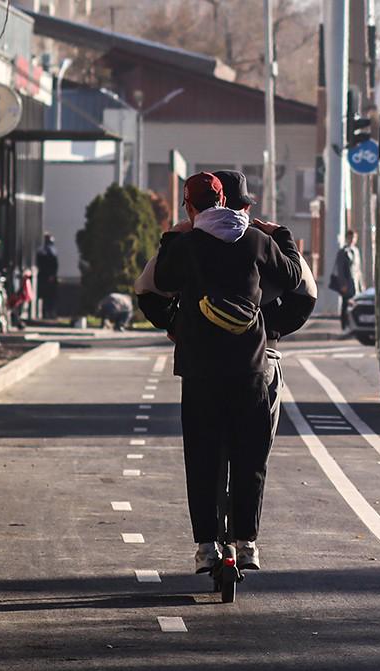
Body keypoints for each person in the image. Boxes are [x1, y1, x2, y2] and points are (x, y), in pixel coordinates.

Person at [153, 171, 302, 574]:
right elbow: (292, 277)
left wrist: (173, 235)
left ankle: (206, 547)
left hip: (201, 372)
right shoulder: (255, 241)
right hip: (249, 368)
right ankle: (246, 542)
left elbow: (162, 279)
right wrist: (282, 235)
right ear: (226, 201)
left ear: (190, 206)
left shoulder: (187, 245)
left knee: (202, 460)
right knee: (249, 458)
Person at [330, 229, 362, 329]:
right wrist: (343, 284)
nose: (352, 240)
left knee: (354, 304)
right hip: (346, 283)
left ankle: (352, 325)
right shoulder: (343, 252)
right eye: (350, 238)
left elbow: (358, 269)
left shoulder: (356, 251)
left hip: (354, 282)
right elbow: (340, 270)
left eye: (354, 238)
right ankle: (344, 326)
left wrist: (361, 284)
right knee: (346, 304)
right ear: (346, 238)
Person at [36, 233, 59, 319]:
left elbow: (54, 265)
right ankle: (46, 312)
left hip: (46, 277)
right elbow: (54, 264)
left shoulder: (48, 251)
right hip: (45, 276)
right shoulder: (47, 251)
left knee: (50, 297)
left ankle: (49, 312)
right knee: (47, 297)